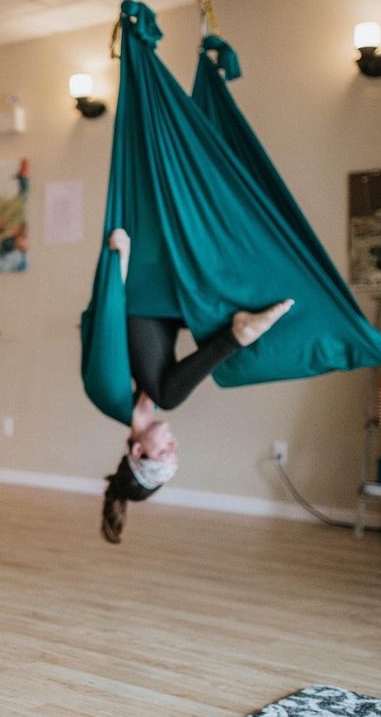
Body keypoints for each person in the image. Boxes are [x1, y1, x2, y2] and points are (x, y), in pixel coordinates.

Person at [100, 228, 293, 544]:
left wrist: (120, 263)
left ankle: (239, 335)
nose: (173, 444)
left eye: (163, 451)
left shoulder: (111, 396)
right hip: (166, 305)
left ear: (137, 450)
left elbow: (105, 330)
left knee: (170, 394)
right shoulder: (156, 396)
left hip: (137, 292)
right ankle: (240, 331)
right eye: (173, 453)